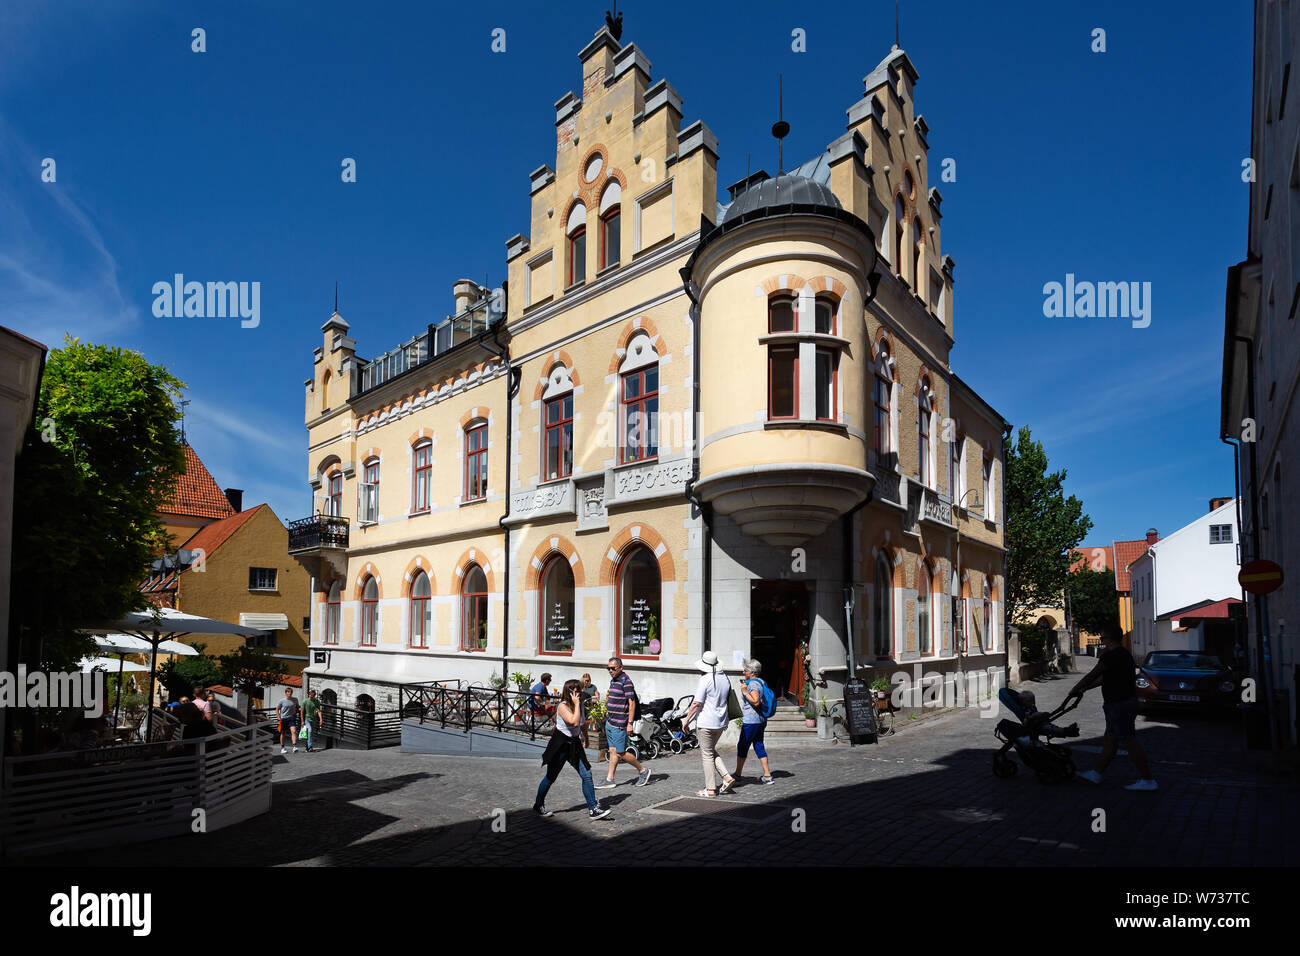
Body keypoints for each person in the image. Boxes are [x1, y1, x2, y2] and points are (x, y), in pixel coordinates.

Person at [1066, 624, 1157, 790]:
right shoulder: (1125, 655)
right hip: (1125, 702)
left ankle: (1147, 779)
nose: (1101, 641)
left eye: (1102, 638)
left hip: (1119, 704)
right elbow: (1105, 679)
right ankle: (1097, 773)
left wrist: (1075, 689)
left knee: (1128, 740)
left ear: (1109, 638)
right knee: (1110, 740)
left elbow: (1093, 674)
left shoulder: (1110, 656)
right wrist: (1085, 689)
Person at [533, 679, 612, 820]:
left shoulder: (579, 704)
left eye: (581, 689)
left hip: (574, 743)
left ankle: (593, 808)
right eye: (578, 690)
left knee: (586, 774)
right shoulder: (562, 706)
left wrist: (586, 738)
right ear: (570, 692)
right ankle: (538, 804)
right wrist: (576, 704)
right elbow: (574, 721)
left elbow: (581, 724)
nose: (582, 692)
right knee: (551, 777)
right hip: (561, 744)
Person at [682, 651, 736, 797]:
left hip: (706, 722)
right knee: (710, 750)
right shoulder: (725, 678)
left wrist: (686, 720)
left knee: (706, 754)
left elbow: (697, 703)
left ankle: (711, 789)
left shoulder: (705, 679)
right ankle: (727, 777)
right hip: (720, 722)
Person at [595, 657, 651, 789]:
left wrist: (630, 723)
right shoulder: (614, 680)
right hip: (611, 722)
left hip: (620, 724)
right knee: (613, 751)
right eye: (608, 668)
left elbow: (632, 703)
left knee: (620, 752)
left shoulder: (626, 682)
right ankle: (610, 779)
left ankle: (643, 771)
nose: (610, 670)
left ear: (620, 667)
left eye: (613, 668)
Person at [733, 659, 774, 785]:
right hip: (760, 720)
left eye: (745, 670)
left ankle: (738, 774)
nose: (743, 672)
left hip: (751, 721)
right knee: (758, 745)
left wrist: (745, 692)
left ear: (751, 672)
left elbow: (755, 701)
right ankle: (767, 775)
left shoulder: (753, 684)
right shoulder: (762, 681)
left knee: (743, 746)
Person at [277, 688, 301, 755]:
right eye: (288, 692)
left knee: (293, 731)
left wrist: (296, 712)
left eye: (290, 692)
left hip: (291, 718)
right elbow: (277, 709)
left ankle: (294, 747)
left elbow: (297, 706)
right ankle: (282, 748)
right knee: (283, 733)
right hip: (284, 718)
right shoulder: (282, 701)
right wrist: (278, 717)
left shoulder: (295, 699)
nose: (289, 693)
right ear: (286, 693)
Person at [579, 673, 598, 748]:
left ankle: (591, 729)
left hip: (591, 705)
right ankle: (582, 738)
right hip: (583, 706)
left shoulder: (593, 687)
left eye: (588, 680)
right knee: (582, 723)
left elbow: (597, 696)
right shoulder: (582, 687)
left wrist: (590, 698)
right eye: (585, 680)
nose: (587, 682)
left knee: (587, 722)